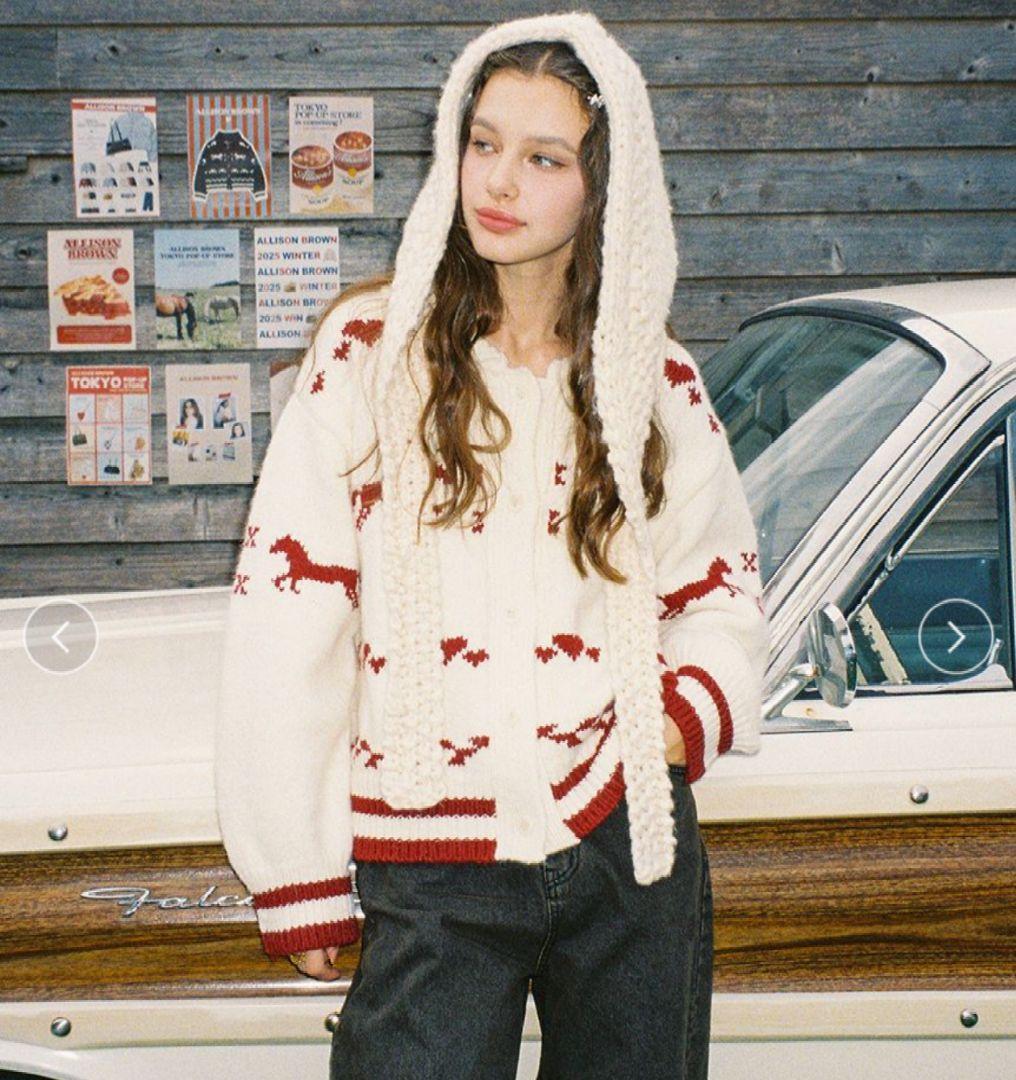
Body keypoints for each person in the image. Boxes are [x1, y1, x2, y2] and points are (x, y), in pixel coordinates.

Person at [214, 11, 770, 1080]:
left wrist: (672, 725)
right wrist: (296, 869)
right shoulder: (368, 355)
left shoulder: (655, 382)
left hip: (630, 851)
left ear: (603, 187)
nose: (499, 181)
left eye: (544, 157)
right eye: (482, 143)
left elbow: (720, 588)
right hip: (432, 857)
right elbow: (288, 614)